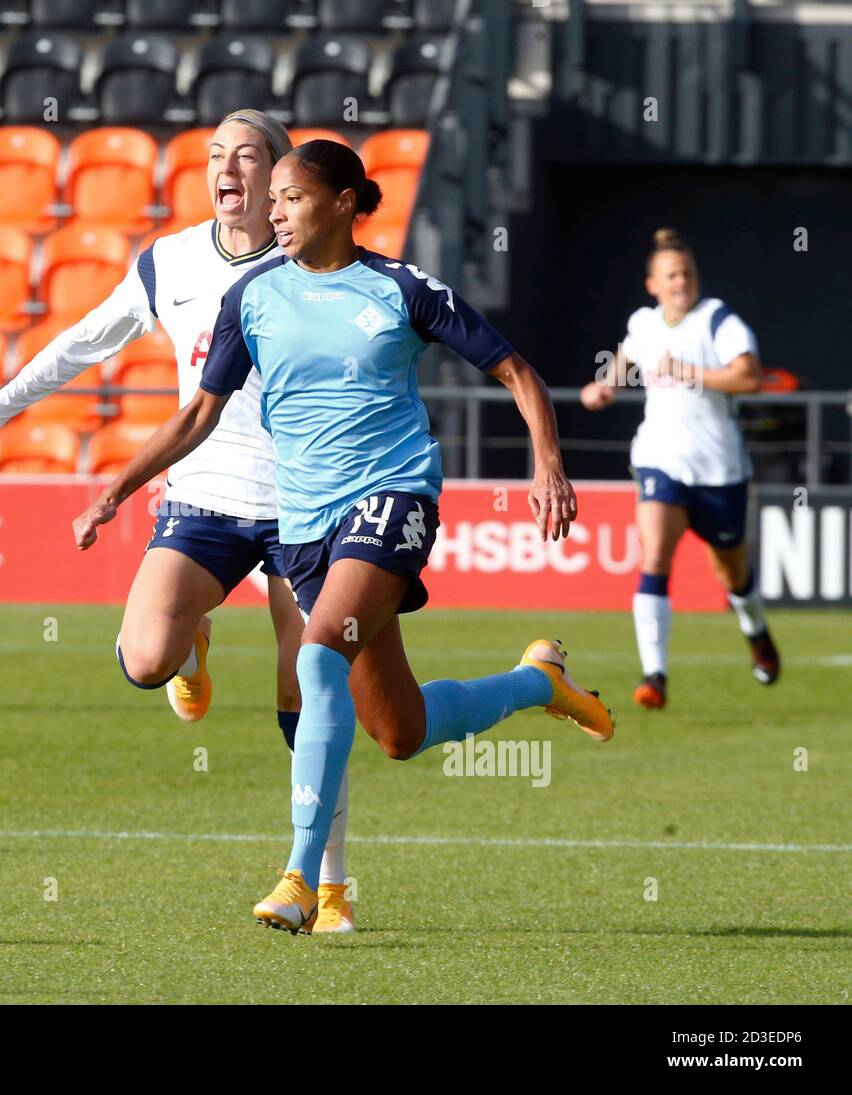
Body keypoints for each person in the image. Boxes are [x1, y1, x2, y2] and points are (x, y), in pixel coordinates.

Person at [73, 140, 614, 934]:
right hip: (307, 526)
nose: (274, 212)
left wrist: (549, 465)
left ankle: (301, 877)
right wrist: (117, 488)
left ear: (340, 203)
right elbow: (199, 413)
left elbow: (515, 372)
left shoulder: (400, 288)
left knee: (317, 654)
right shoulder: (253, 297)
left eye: (290, 198)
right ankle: (541, 682)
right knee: (400, 731)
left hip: (394, 500)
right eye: (275, 200)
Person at [0, 112, 357, 932]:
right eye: (214, 155)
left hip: (305, 504)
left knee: (306, 693)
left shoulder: (316, 265)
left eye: (246, 155)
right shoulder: (169, 262)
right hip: (204, 495)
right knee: (143, 659)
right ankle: (191, 643)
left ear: (282, 177)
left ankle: (328, 885)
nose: (226, 168)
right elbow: (80, 342)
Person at [580, 228, 779, 709]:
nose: (681, 281)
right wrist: (605, 384)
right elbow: (630, 352)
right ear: (653, 285)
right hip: (659, 459)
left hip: (719, 469)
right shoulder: (644, 323)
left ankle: (755, 630)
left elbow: (750, 377)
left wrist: (691, 372)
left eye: (687, 273)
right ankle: (655, 675)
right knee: (654, 557)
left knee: (731, 573)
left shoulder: (717, 319)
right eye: (671, 275)